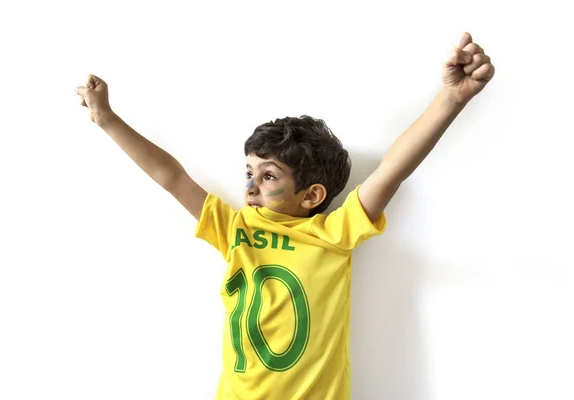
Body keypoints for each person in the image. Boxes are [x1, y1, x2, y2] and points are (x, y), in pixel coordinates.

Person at [75, 32, 494, 399]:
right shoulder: (235, 227)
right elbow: (170, 175)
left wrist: (451, 98)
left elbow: (392, 170)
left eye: (269, 175)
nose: (250, 186)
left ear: (312, 195)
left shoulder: (334, 234)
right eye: (249, 172)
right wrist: (107, 119)